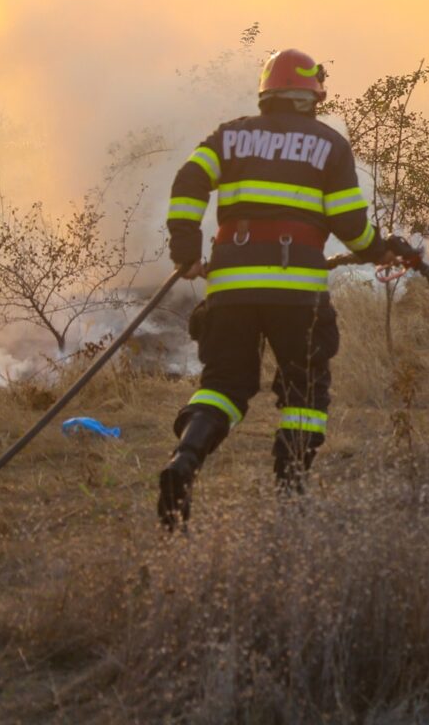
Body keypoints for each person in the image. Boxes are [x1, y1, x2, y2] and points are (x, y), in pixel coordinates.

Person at [158, 48, 391, 529]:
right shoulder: (330, 145)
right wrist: (375, 250)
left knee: (223, 385)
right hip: (296, 291)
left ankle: (184, 460)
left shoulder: (230, 136)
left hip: (231, 288)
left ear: (266, 93)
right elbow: (349, 222)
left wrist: (186, 248)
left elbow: (188, 181)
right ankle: (291, 495)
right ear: (311, 97)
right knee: (305, 390)